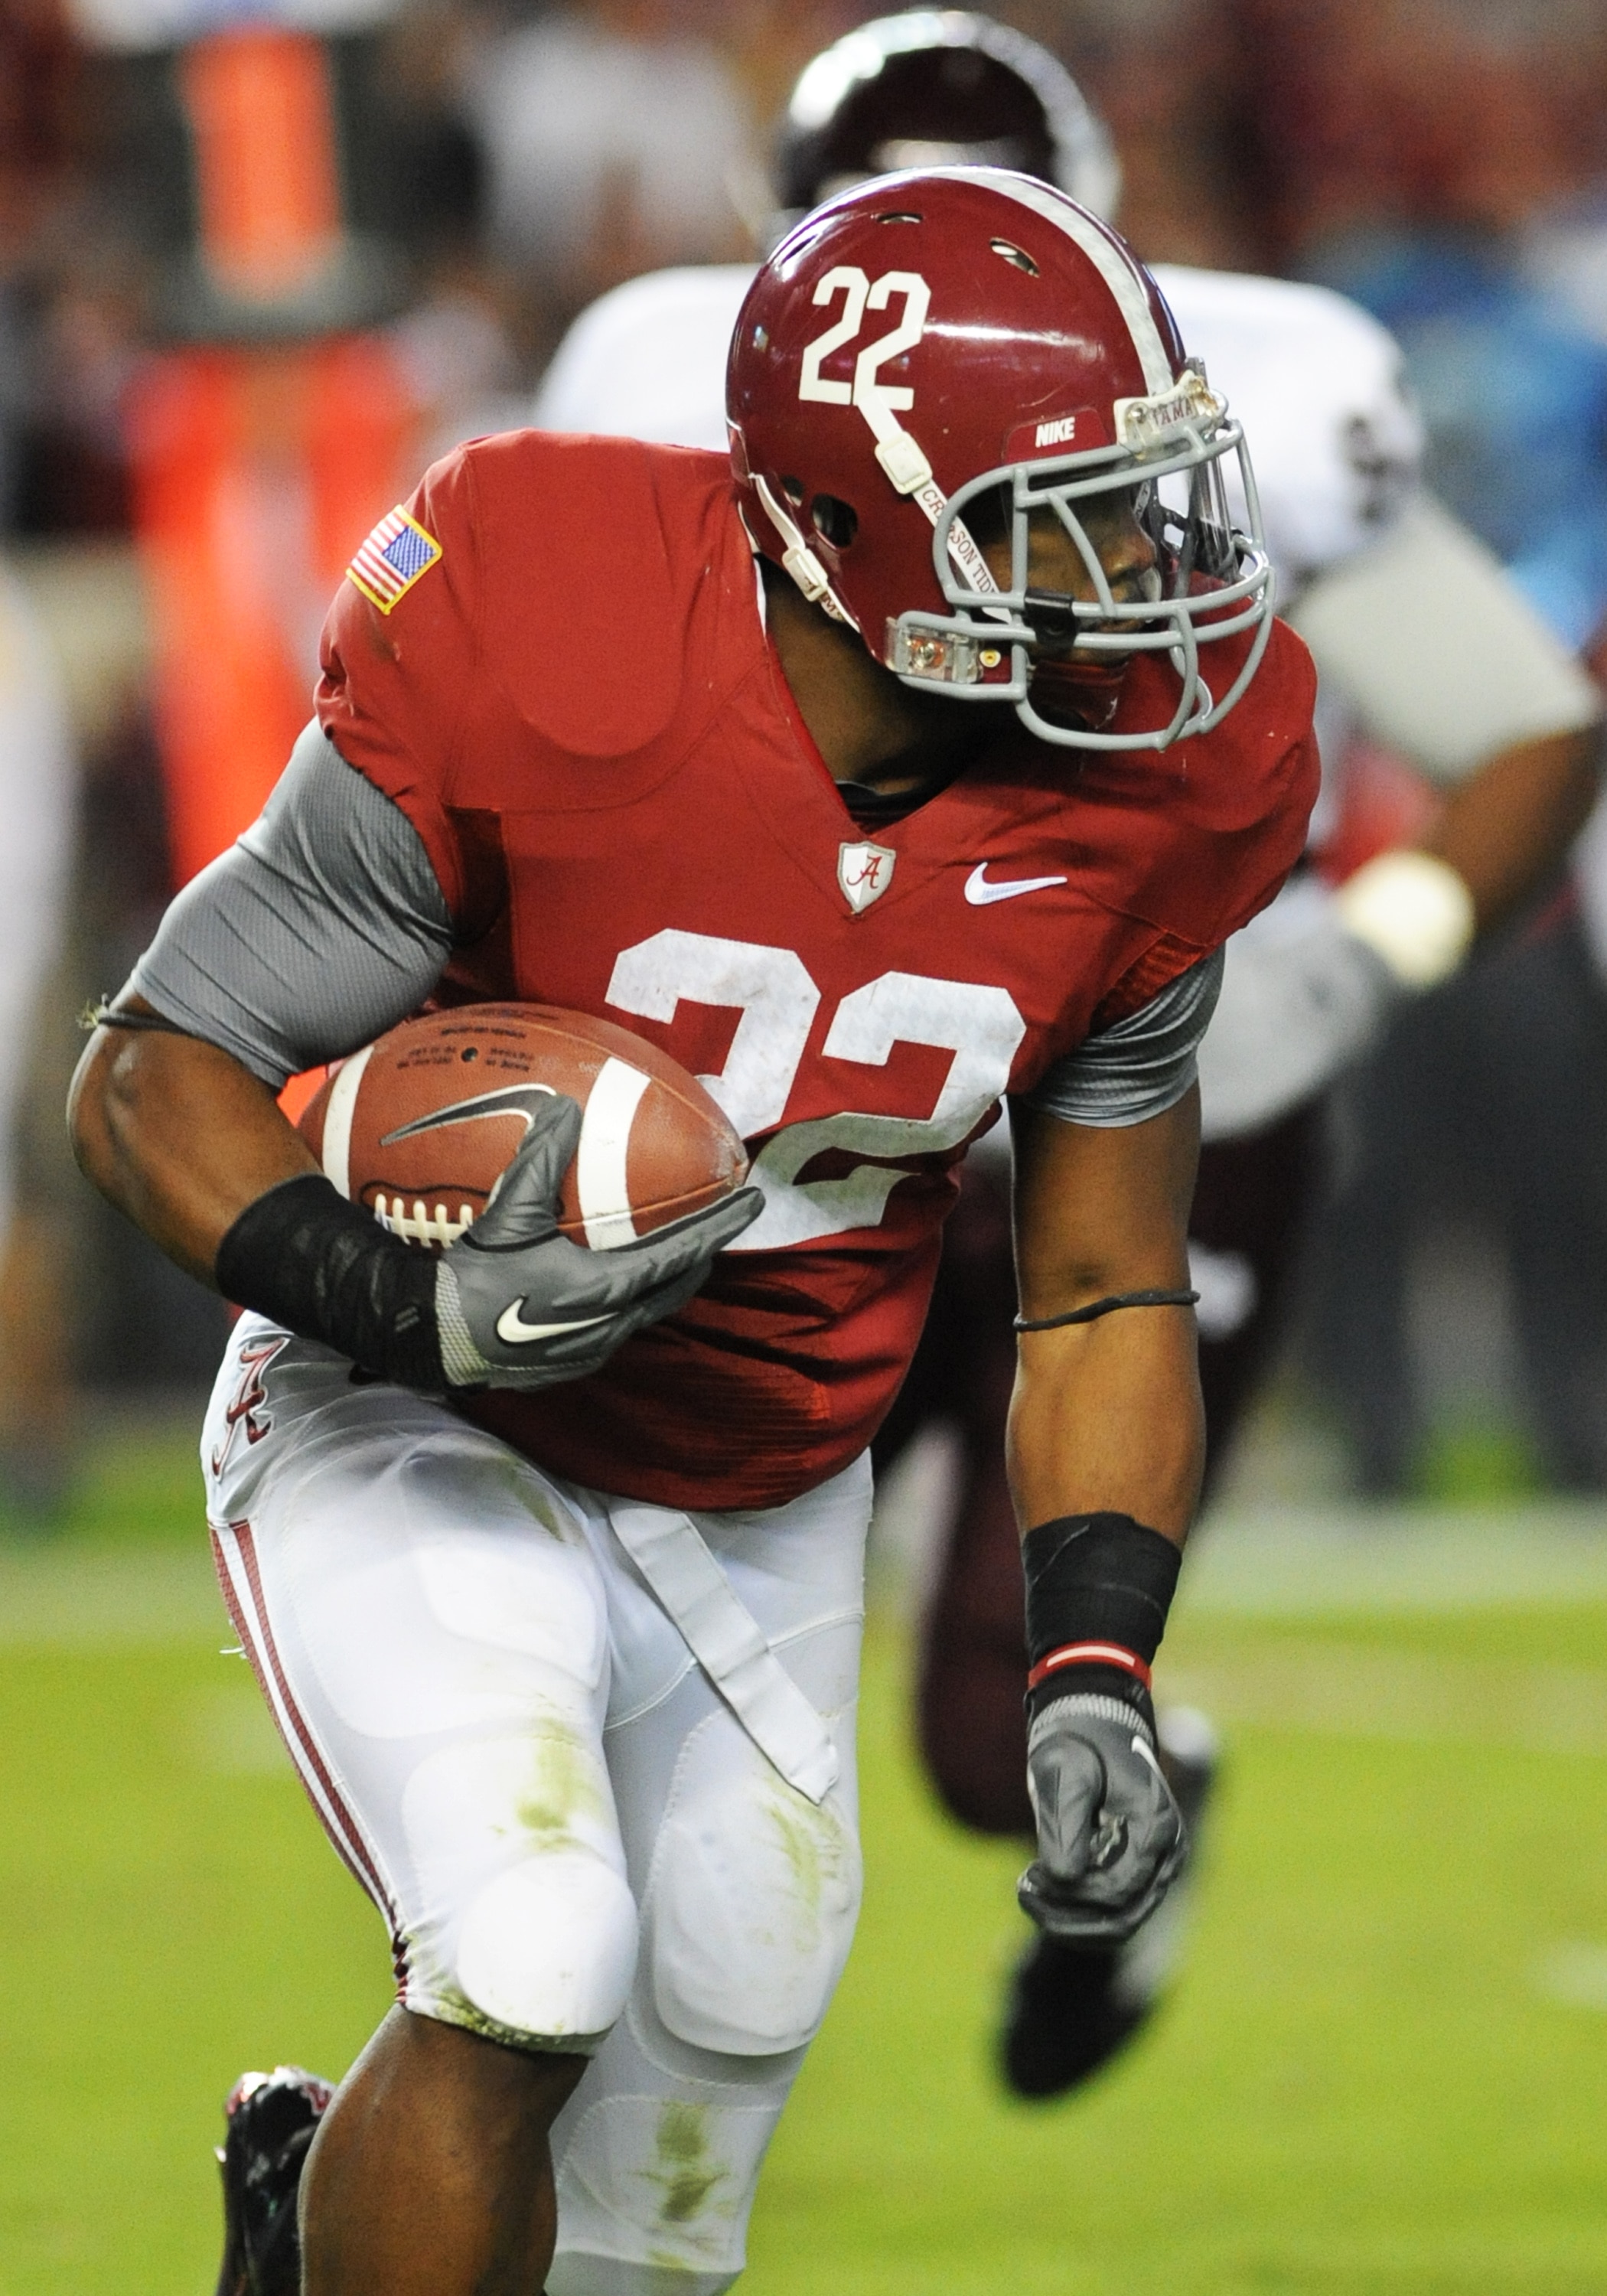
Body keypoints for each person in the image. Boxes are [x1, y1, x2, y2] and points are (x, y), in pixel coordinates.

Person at [70, 169, 1317, 2294]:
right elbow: (153, 1068)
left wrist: (1093, 1660)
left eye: (1143, 503)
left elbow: (1103, 1282)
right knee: (528, 1951)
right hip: (415, 1421)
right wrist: (408, 1300)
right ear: (849, 534)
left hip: (769, 1474)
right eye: (1059, 521)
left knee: (672, 2189)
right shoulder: (552, 614)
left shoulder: (1173, 784)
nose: (1137, 575)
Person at [531, 8, 1603, 2101]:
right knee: (621, 1648)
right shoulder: (658, 378)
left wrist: (1362, 956)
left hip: (1144, 1090)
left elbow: (1521, 730)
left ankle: (1114, 1780)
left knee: (984, 1733)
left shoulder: (1255, 396)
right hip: (807, 1095)